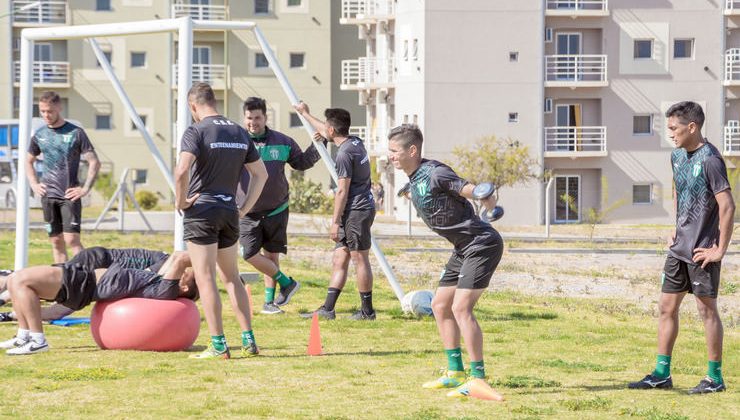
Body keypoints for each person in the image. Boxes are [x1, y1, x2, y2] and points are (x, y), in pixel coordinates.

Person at [387, 124, 503, 398]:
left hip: (481, 243)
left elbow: (472, 189)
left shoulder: (436, 173)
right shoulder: (415, 178)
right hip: (462, 247)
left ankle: (478, 378)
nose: (390, 156)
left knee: (461, 308)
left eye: (394, 151)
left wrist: (486, 198)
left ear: (412, 150)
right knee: (440, 305)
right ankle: (455, 373)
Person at [628, 101, 735, 394]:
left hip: (702, 251)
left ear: (692, 127)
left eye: (674, 128)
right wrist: (675, 228)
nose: (670, 134)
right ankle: (661, 374)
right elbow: (678, 190)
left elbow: (727, 206)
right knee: (666, 307)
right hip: (679, 249)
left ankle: (715, 379)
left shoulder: (711, 159)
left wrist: (719, 250)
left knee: (706, 311)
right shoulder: (676, 157)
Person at [175, 83, 268, 359]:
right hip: (229, 211)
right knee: (232, 278)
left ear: (194, 106)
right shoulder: (239, 131)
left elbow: (181, 171)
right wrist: (243, 208)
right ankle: (249, 340)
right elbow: (261, 175)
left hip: (202, 211)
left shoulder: (196, 130)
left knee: (205, 278)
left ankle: (218, 345)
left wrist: (180, 201)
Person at [0, 250, 198, 355]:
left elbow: (181, 259)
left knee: (22, 280)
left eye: (188, 275)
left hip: (83, 285)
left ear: (186, 287)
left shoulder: (167, 290)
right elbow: (175, 257)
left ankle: (37, 340)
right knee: (16, 280)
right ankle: (23, 335)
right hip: (84, 280)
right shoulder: (163, 283)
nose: (186, 272)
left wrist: (211, 257)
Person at [237, 97, 323, 315]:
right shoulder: (238, 142)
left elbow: (301, 163)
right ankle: (287, 283)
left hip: (277, 209)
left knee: (272, 256)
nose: (253, 122)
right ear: (244, 118)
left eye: (257, 118)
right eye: (249, 118)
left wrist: (318, 145)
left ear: (265, 118)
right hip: (247, 211)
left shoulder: (283, 141)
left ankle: (269, 302)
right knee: (248, 253)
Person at [294, 102, 376, 320]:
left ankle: (367, 312)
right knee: (340, 259)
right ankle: (328, 309)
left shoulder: (344, 155)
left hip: (357, 210)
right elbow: (325, 128)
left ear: (331, 131)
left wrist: (335, 221)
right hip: (357, 209)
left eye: (327, 128)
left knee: (360, 259)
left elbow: (341, 191)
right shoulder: (355, 141)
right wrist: (306, 114)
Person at [0, 246, 170, 322]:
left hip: (101, 270)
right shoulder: (165, 263)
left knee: (57, 309)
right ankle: (6, 289)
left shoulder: (164, 264)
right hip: (96, 261)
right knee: (42, 286)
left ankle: (7, 315)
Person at [27, 91, 101, 263]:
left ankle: (87, 278)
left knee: (71, 240)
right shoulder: (39, 135)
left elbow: (94, 162)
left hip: (69, 196)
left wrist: (85, 189)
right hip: (48, 196)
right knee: (56, 241)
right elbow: (28, 161)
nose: (46, 115)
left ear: (59, 108)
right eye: (43, 111)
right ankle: (62, 282)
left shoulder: (76, 132)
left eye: (50, 111)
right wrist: (34, 184)